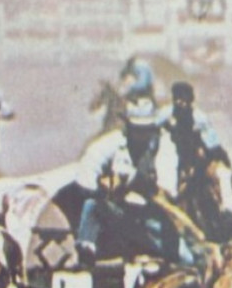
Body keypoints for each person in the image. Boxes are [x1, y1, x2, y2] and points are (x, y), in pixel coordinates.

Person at [74, 97, 191, 268]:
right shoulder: (114, 142)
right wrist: (102, 186)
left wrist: (132, 179)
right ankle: (86, 255)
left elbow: (167, 190)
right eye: (137, 129)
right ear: (128, 126)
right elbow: (87, 168)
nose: (141, 135)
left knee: (186, 260)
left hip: (150, 217)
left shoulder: (165, 146)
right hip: (120, 213)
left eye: (146, 129)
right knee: (92, 205)